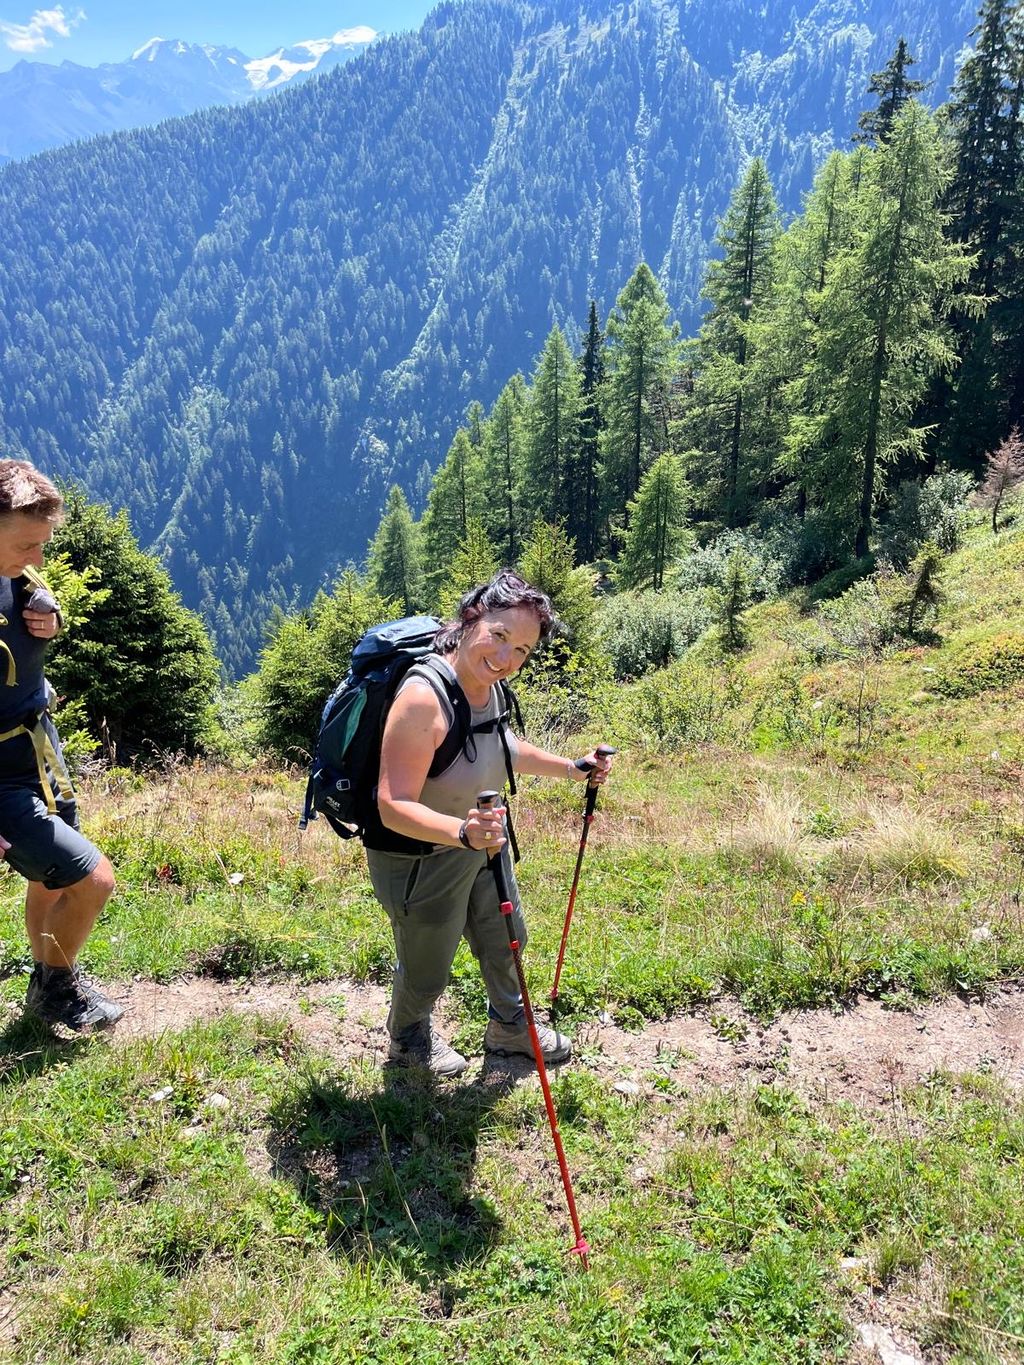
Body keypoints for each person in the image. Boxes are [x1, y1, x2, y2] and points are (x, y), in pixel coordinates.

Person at [368, 568, 613, 1077]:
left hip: (482, 841)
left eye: (521, 651)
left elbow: (499, 747)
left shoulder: (490, 687)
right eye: (499, 636)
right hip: (420, 857)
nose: (506, 659)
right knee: (427, 962)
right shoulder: (422, 698)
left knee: (507, 937)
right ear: (472, 619)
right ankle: (408, 1041)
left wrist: (572, 768)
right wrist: (461, 832)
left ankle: (509, 1027)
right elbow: (392, 804)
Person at [0, 459, 122, 1031]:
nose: (39, 558)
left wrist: (50, 618)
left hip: (38, 750)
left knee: (48, 876)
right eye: (28, 543)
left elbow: (32, 615)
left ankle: (44, 981)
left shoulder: (17, 577)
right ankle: (58, 988)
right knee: (93, 879)